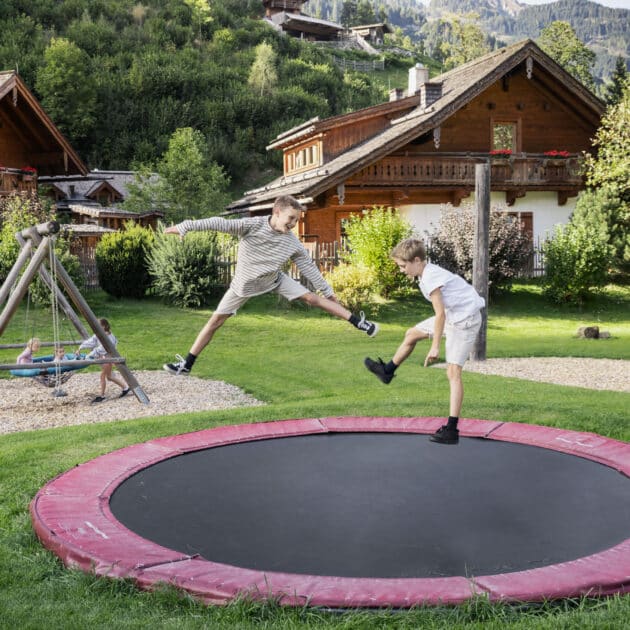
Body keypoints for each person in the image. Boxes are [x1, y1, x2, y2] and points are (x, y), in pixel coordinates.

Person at [163, 195, 379, 375]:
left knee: (312, 298)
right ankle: (187, 365)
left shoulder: (292, 242)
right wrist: (186, 226)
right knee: (215, 322)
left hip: (274, 280)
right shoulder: (251, 226)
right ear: (277, 213)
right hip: (243, 286)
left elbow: (309, 267)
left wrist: (328, 291)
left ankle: (360, 323)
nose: (294, 224)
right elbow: (219, 223)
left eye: (297, 220)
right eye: (291, 218)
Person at [364, 238, 485, 445]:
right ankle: (387, 371)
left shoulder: (430, 277)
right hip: (452, 314)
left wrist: (435, 346)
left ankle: (451, 430)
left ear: (417, 260)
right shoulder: (424, 274)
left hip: (465, 321)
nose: (402, 270)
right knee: (411, 334)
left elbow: (439, 316)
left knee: (453, 372)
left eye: (403, 266)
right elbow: (442, 314)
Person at [78, 318, 130, 403]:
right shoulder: (98, 334)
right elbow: (90, 342)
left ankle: (102, 396)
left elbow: (101, 349)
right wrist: (80, 347)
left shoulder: (109, 337)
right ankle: (126, 388)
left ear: (105, 326)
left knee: (103, 376)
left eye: (99, 325)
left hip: (108, 358)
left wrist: (88, 356)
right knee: (109, 377)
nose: (97, 327)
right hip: (105, 358)